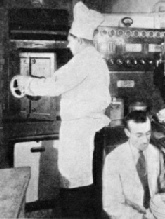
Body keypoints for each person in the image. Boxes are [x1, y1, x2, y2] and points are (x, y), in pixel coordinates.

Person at [15, 2, 111, 217]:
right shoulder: (95, 60)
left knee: (76, 190)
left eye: (69, 40)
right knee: (86, 189)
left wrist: (24, 82)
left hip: (81, 134)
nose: (68, 45)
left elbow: (54, 85)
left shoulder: (83, 61)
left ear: (78, 39)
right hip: (88, 131)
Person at [103, 111, 165, 219]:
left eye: (148, 133)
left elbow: (163, 185)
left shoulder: (155, 153)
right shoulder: (113, 159)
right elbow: (111, 205)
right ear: (127, 132)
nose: (144, 140)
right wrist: (141, 217)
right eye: (139, 135)